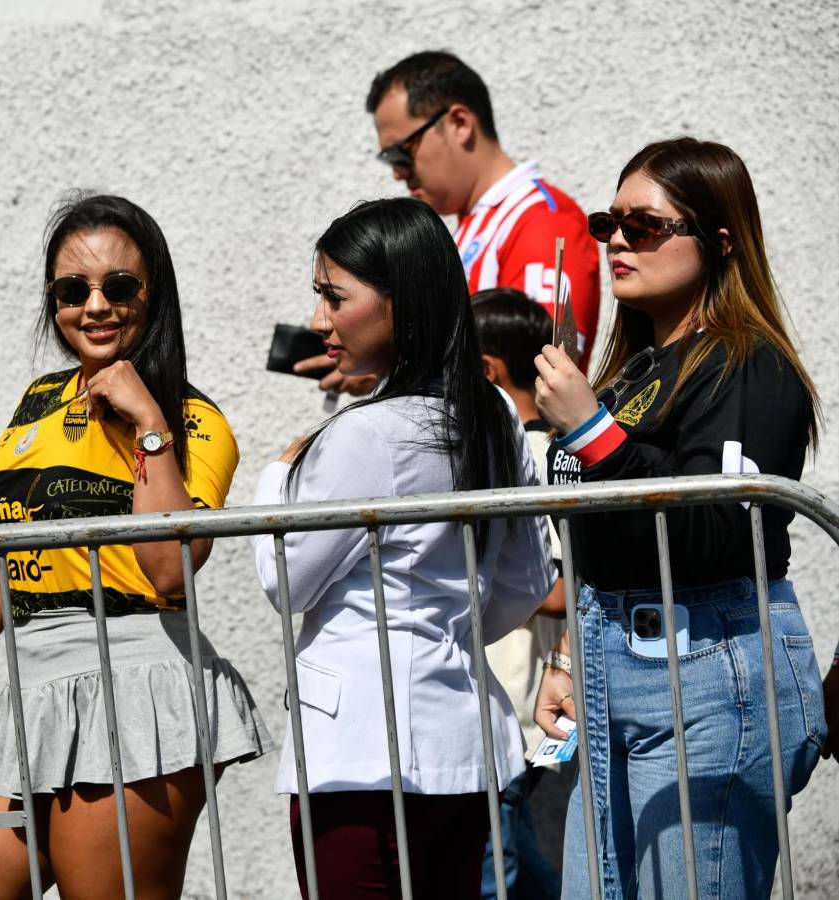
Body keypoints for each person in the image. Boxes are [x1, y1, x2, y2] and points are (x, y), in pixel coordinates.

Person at [0, 193, 271, 899]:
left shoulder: (194, 420)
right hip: (31, 686)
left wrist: (149, 423)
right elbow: (12, 553)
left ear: (153, 294)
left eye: (119, 286)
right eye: (73, 291)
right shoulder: (38, 401)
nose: (95, 306)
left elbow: (170, 570)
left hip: (136, 685)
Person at [532, 137, 824, 899]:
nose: (617, 242)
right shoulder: (628, 372)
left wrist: (590, 430)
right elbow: (594, 532)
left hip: (708, 673)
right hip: (613, 663)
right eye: (608, 224)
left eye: (644, 226)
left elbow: (715, 533)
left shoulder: (748, 363)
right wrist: (566, 655)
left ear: (719, 240)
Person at [252, 197, 554, 899]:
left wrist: (278, 473)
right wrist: (442, 636)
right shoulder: (490, 411)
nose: (319, 319)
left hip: (360, 755)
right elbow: (526, 576)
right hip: (459, 740)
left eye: (335, 297)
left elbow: (285, 583)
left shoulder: (366, 433)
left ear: (400, 303)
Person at [295, 52, 601, 396]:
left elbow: (533, 372)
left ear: (460, 123)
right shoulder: (480, 222)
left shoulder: (542, 220)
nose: (397, 173)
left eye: (401, 153)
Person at [472, 288, 565, 900]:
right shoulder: (538, 453)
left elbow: (560, 588)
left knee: (491, 863)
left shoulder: (530, 457)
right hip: (518, 707)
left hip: (514, 705)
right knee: (511, 846)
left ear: (485, 372)